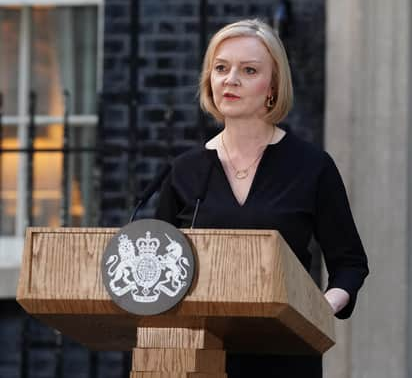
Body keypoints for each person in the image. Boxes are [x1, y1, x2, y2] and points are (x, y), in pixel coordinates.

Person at [154, 19, 369, 378]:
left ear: (272, 87)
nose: (230, 79)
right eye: (221, 68)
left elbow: (349, 263)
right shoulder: (183, 171)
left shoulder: (311, 166)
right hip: (197, 356)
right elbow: (158, 269)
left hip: (285, 354)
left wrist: (319, 308)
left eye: (248, 70)